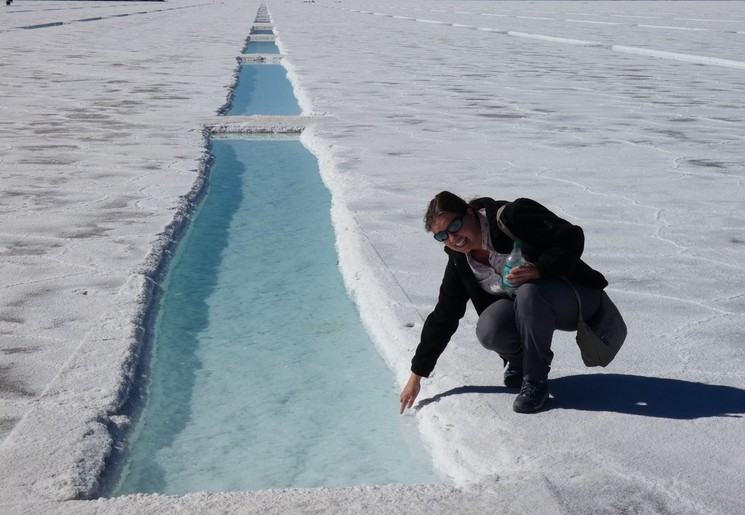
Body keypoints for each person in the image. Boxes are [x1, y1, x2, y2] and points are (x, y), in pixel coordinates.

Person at [399, 192, 608, 414]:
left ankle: (535, 381)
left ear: (469, 213)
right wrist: (416, 376)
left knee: (529, 292)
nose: (452, 238)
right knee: (489, 327)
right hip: (530, 312)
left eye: (455, 226)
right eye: (441, 236)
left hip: (576, 299)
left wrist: (540, 270)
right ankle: (519, 361)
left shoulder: (513, 217)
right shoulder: (461, 260)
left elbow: (571, 238)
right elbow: (444, 316)